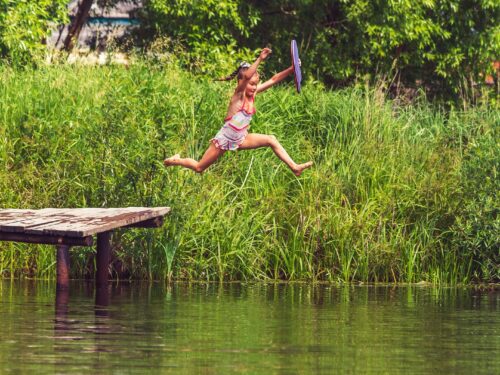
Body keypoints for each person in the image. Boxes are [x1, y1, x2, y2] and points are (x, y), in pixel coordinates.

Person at [163, 47, 313, 176]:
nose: (254, 87)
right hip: (224, 140)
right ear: (242, 83)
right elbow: (247, 76)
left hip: (241, 139)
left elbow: (273, 80)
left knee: (271, 139)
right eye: (251, 84)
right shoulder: (238, 96)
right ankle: (176, 160)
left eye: (256, 84)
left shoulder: (252, 94)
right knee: (199, 167)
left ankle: (294, 167)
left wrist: (291, 69)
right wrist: (259, 59)